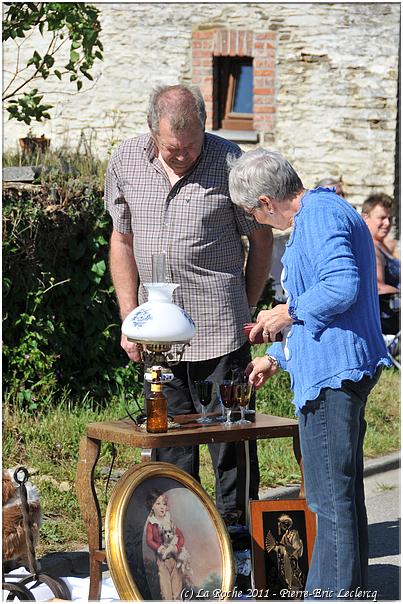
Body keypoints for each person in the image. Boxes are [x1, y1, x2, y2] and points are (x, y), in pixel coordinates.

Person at [105, 84, 273, 524]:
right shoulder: (125, 160)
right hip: (156, 332)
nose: (182, 155)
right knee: (169, 440)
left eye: (192, 145)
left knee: (230, 441)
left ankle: (238, 536)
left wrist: (246, 308)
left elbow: (260, 239)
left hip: (219, 324)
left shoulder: (230, 160)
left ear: (205, 126)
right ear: (151, 132)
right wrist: (128, 318)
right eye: (172, 148)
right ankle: (182, 534)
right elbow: (121, 240)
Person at [228, 148, 391, 599]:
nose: (257, 223)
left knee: (327, 501)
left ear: (264, 201)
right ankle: (349, 591)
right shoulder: (325, 209)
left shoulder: (318, 216)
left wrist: (288, 310)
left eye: (251, 213)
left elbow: (341, 289)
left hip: (334, 376)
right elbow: (331, 315)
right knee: (341, 493)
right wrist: (276, 356)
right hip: (336, 367)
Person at [145, 489, 190, 600]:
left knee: (177, 587)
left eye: (164, 504)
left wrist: (176, 547)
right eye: (158, 504)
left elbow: (181, 537)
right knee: (166, 589)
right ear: (152, 506)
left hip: (175, 559)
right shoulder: (152, 524)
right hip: (162, 561)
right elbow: (149, 540)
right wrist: (159, 547)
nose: (161, 507)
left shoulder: (170, 521)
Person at [362, 193, 400, 294]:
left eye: (390, 218)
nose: (387, 223)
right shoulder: (370, 248)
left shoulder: (381, 244)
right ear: (365, 218)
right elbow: (378, 287)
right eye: (382, 218)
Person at [265, 514, 305, 592]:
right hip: (286, 559)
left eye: (282, 524)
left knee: (293, 576)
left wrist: (284, 548)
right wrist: (276, 546)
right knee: (286, 575)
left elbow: (296, 548)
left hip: (292, 558)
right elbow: (281, 546)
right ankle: (289, 587)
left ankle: (293, 588)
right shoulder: (285, 535)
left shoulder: (294, 533)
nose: (281, 527)